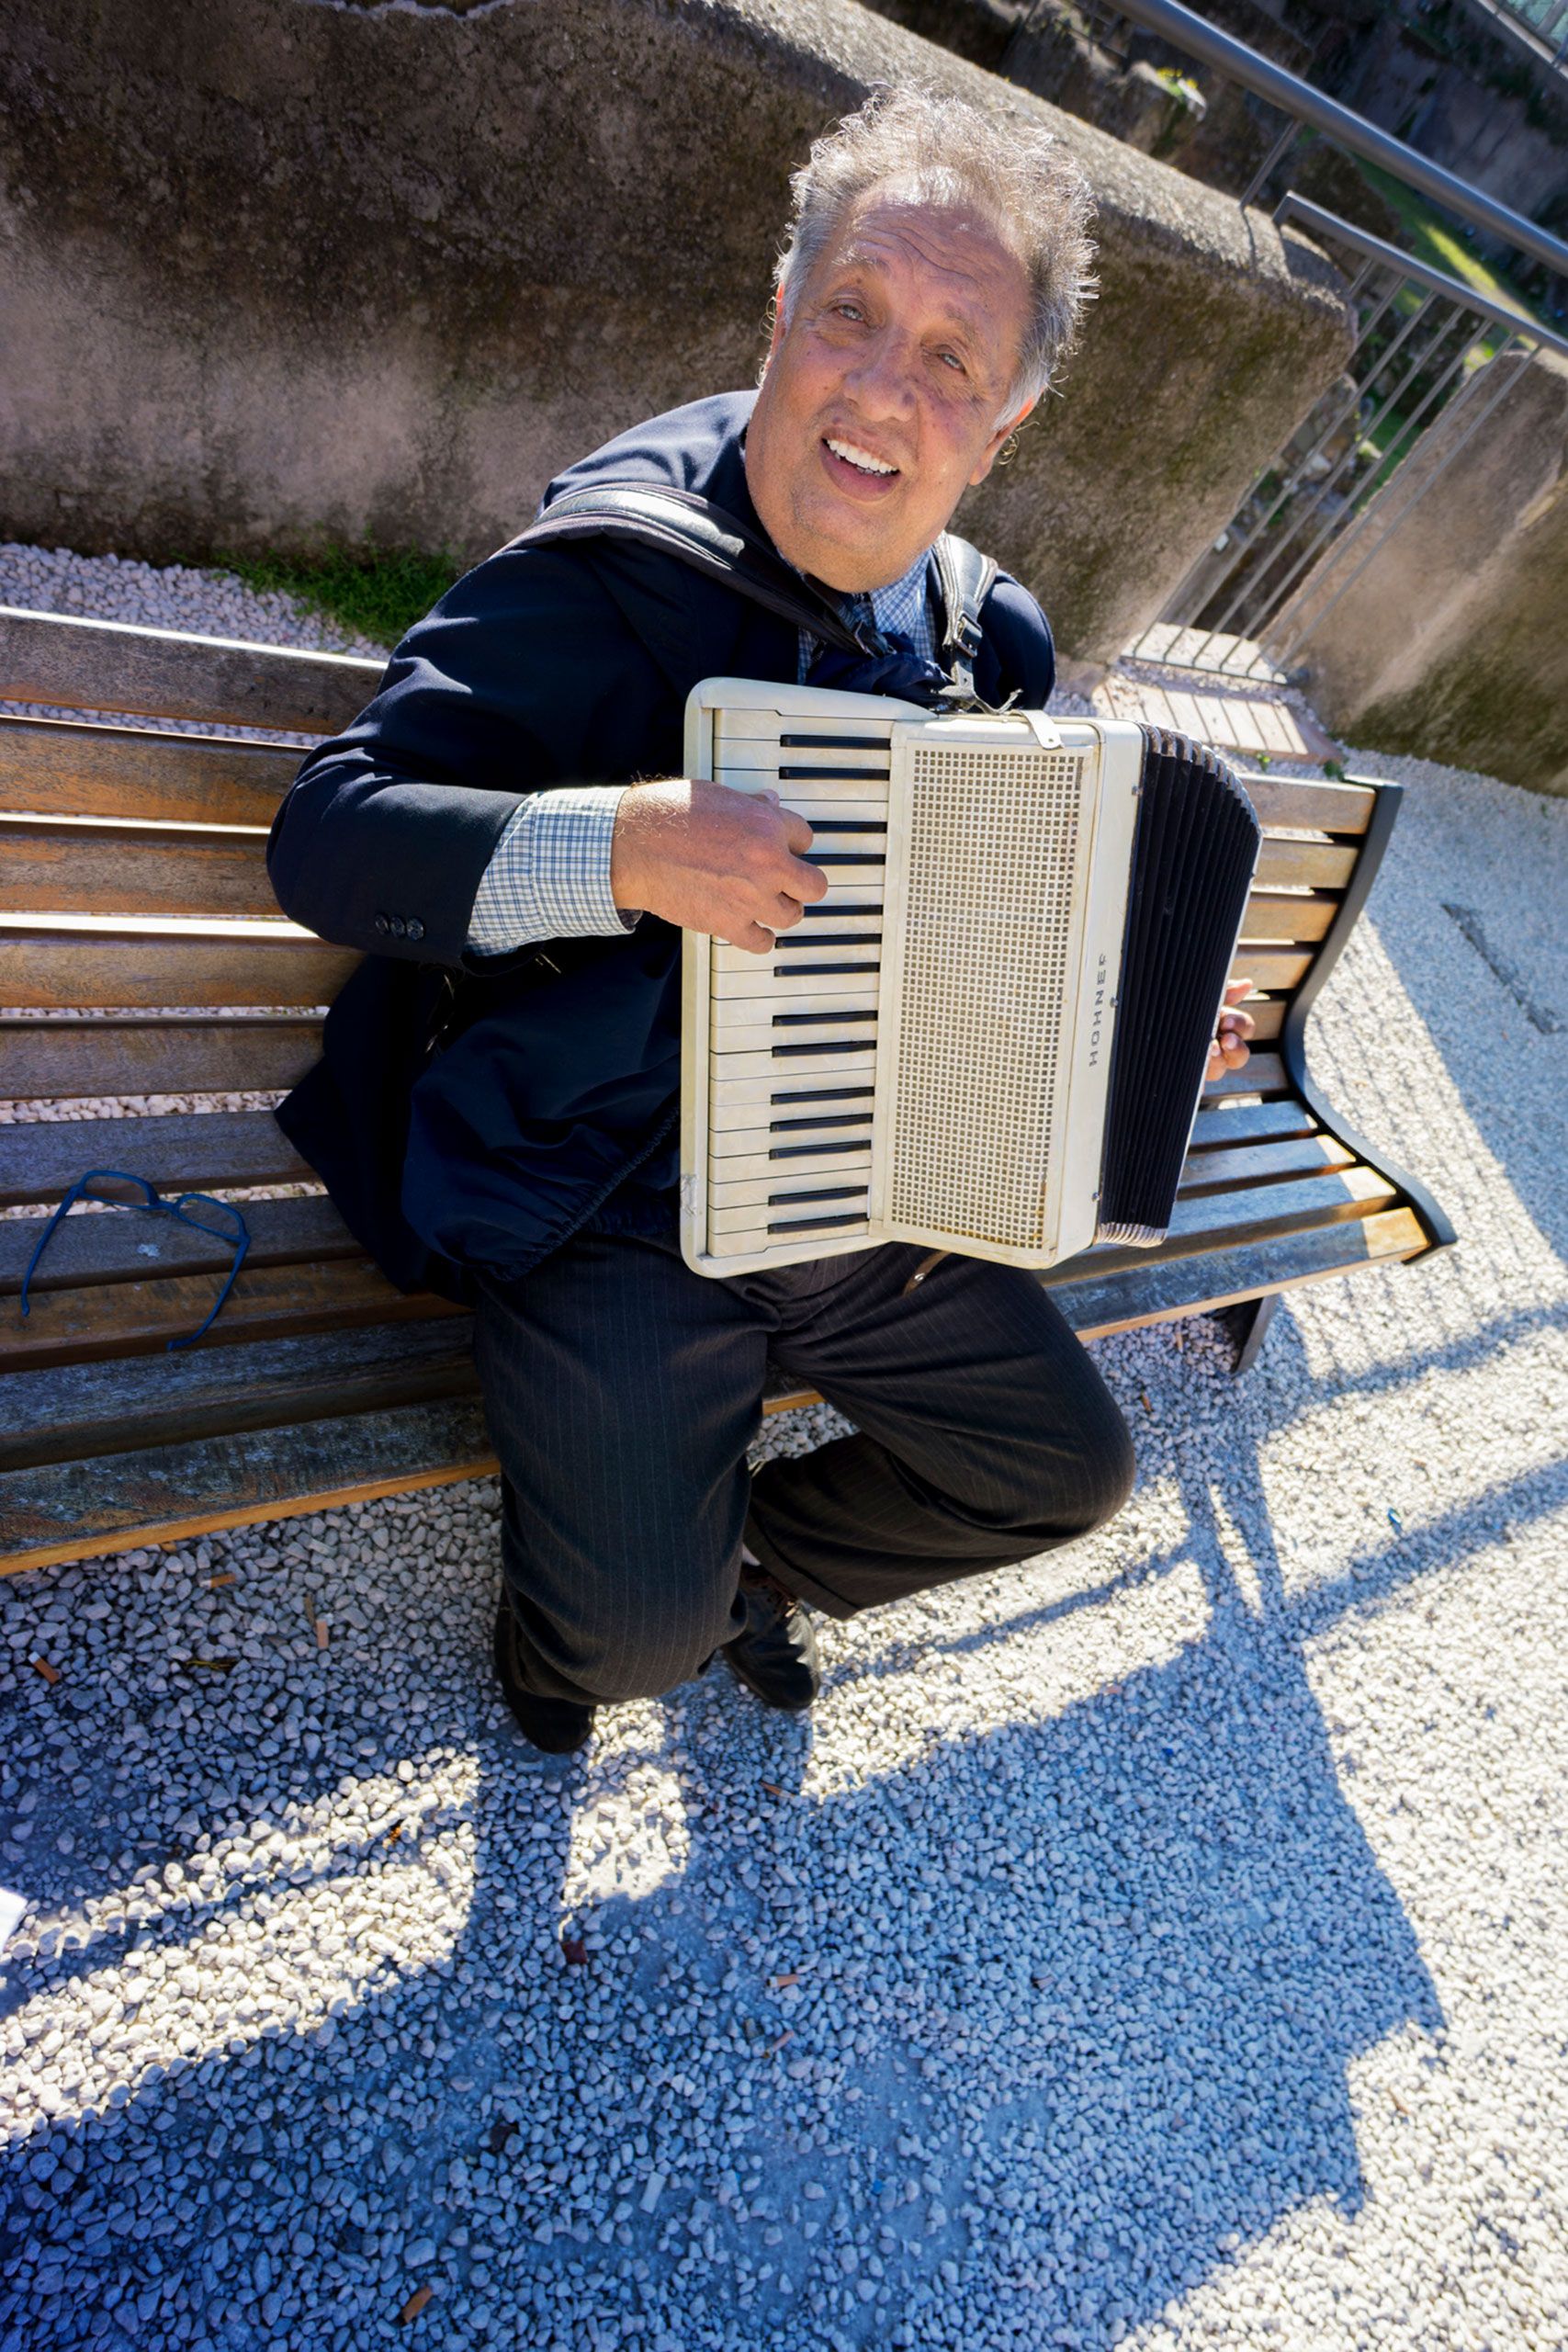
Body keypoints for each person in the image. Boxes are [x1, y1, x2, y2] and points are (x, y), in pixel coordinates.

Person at [266, 85, 1253, 1756]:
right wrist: (625, 847)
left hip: (856, 1181)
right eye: (853, 314)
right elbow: (329, 838)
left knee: (1066, 1472)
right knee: (616, 1660)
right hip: (607, 1190)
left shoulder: (983, 634)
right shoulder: (605, 575)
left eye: (954, 357)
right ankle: (589, 1615)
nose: (883, 389)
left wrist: (1121, 1035)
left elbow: (987, 917)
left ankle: (743, 1561)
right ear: (781, 315)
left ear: (1001, 427)